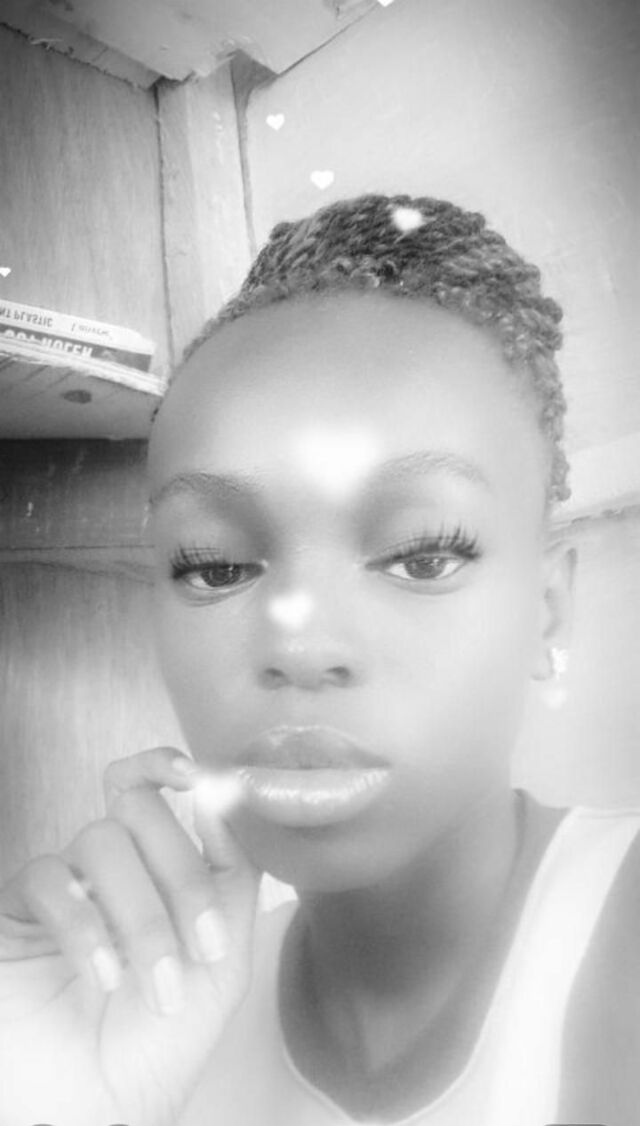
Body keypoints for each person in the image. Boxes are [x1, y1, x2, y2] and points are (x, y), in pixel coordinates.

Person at [0, 193, 638, 1126]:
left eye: (422, 557)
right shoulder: (151, 1011)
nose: (298, 645)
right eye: (216, 566)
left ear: (547, 610)